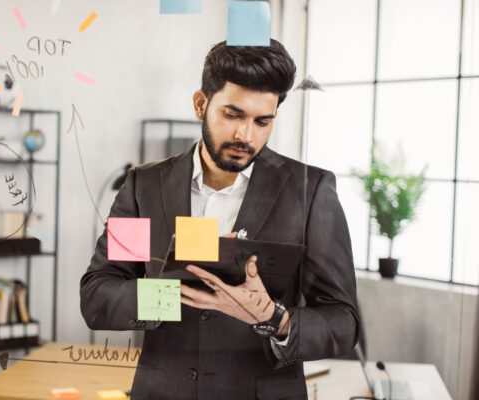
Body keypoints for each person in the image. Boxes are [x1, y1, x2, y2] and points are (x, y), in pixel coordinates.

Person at [80, 39, 359, 400]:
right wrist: (170, 294)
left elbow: (344, 321)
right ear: (201, 104)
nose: (246, 135)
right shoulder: (145, 187)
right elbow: (99, 294)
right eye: (233, 115)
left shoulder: (310, 192)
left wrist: (275, 318)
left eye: (263, 121)